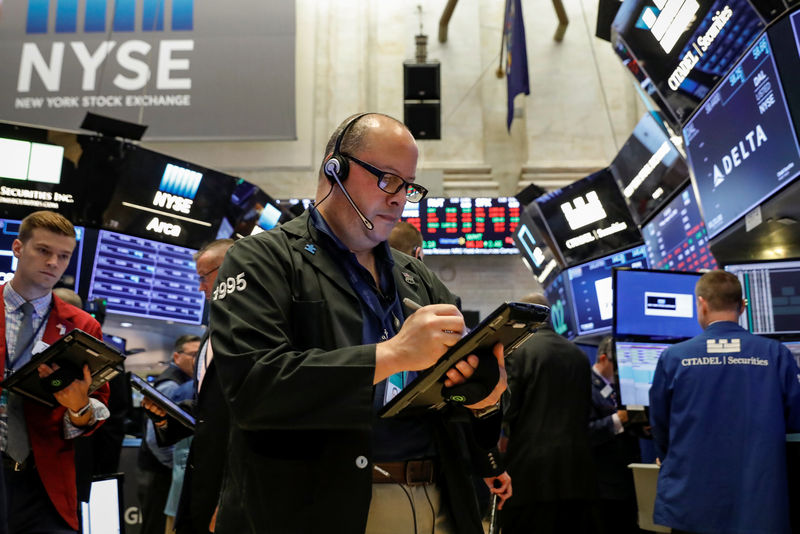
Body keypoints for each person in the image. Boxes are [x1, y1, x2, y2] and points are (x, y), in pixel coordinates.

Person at [209, 112, 510, 534]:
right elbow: (255, 388)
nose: (399, 198)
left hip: (437, 500)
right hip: (318, 507)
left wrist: (484, 399)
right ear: (335, 167)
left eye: (408, 186)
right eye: (387, 179)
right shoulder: (262, 260)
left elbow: (456, 408)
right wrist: (393, 355)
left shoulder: (417, 277)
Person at [649, 270, 800, 534]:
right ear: (742, 306)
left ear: (702, 304)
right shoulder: (775, 354)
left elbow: (660, 428)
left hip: (693, 502)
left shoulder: (673, 358)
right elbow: (795, 424)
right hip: (760, 500)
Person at [0, 210, 110, 533]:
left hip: (45, 480)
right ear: (18, 248)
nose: (53, 263)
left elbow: (96, 407)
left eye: (64, 256)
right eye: (43, 251)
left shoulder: (83, 326)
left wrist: (78, 409)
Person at [143, 238, 235, 534]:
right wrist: (167, 415)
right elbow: (208, 405)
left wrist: (231, 496)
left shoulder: (258, 327)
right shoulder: (211, 332)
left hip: (229, 483)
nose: (200, 288)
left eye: (203, 277)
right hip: (200, 476)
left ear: (232, 268)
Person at [500, 293, 597, 534]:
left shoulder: (518, 351)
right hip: (577, 473)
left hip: (530, 474)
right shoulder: (579, 355)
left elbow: (507, 408)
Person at [137, 335, 199, 534]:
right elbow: (154, 438)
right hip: (159, 473)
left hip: (164, 472)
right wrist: (178, 467)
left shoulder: (187, 381)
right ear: (176, 356)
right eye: (192, 354)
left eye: (200, 354)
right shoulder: (172, 386)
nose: (196, 359)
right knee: (156, 526)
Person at [588, 336, 641, 534]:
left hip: (627, 479)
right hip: (603, 485)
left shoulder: (619, 387)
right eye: (616, 364)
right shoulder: (586, 386)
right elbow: (586, 432)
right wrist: (619, 419)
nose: (620, 371)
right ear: (603, 359)